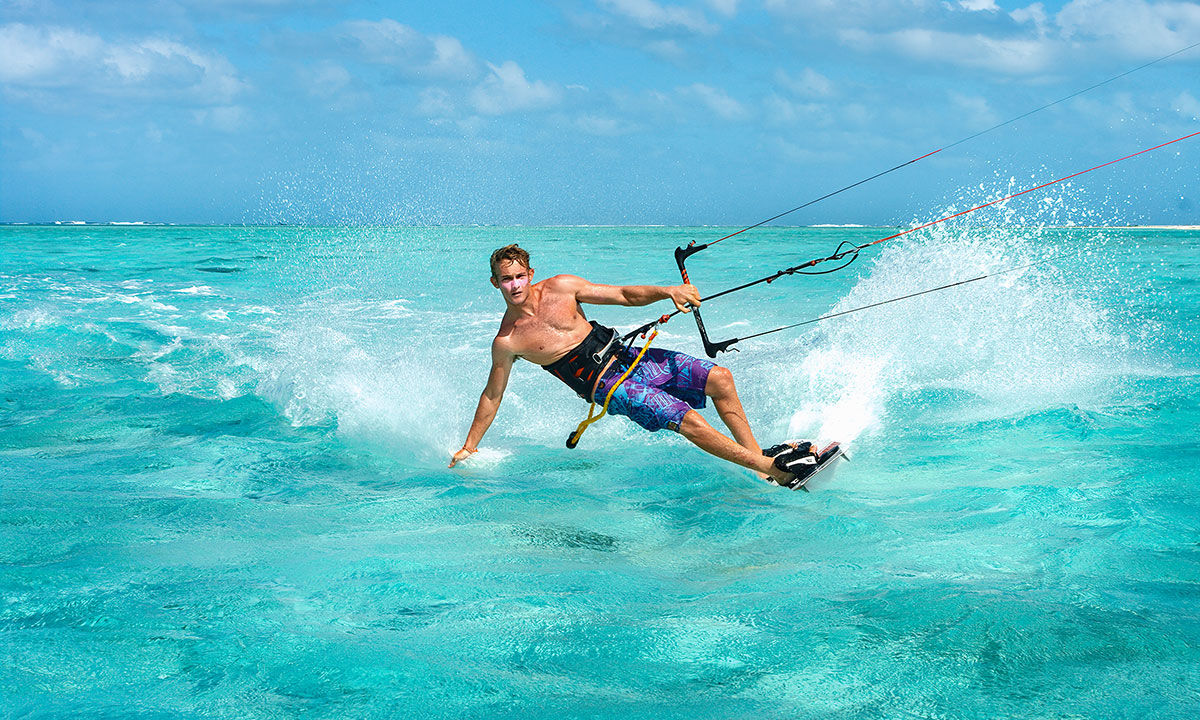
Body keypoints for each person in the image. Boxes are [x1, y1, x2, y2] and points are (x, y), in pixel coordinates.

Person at [448, 243, 810, 487]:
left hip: (630, 358)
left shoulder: (562, 287)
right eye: (506, 279)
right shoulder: (508, 341)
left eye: (520, 276)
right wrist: (469, 446)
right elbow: (492, 396)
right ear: (495, 282)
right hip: (608, 387)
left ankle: (757, 463)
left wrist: (668, 291)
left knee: (720, 378)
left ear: (530, 273)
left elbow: (622, 295)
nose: (515, 285)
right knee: (687, 419)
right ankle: (770, 471)